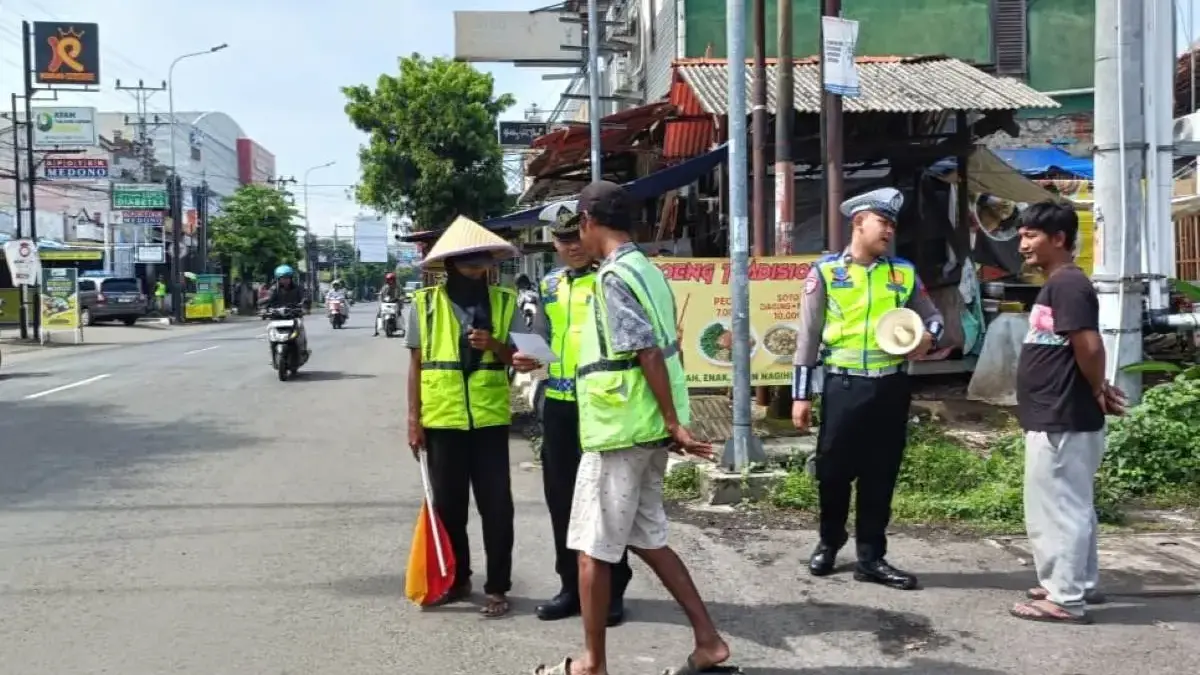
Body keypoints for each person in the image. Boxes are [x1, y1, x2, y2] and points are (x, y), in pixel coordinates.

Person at [526, 181, 729, 675]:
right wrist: (668, 424)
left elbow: (647, 351)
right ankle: (709, 642)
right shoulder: (647, 270)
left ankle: (592, 663)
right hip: (643, 429)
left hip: (620, 430)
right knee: (649, 539)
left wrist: (673, 423)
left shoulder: (614, 277)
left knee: (590, 550)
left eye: (580, 226)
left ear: (592, 223)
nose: (578, 236)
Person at [790, 187, 945, 591]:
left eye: (893, 224)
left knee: (881, 473)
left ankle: (871, 557)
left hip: (891, 386)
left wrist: (928, 337)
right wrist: (801, 394)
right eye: (883, 223)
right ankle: (829, 540)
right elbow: (806, 336)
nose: (889, 231)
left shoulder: (903, 273)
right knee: (833, 471)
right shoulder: (825, 273)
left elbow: (933, 318)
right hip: (842, 386)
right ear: (858, 223)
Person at [405, 216, 529, 619]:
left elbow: (524, 362)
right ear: (452, 264)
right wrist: (413, 420)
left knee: (497, 508)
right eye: (471, 262)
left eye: (484, 262)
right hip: (442, 421)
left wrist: (494, 343)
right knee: (449, 509)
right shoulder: (423, 305)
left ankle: (498, 587)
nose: (479, 269)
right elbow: (416, 365)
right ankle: (457, 580)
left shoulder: (506, 302)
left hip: (490, 421)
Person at [1008, 201, 1125, 624]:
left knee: (1057, 508)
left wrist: (1096, 388)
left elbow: (1089, 345)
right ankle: (1079, 583)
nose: (1023, 244)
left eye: (1031, 235)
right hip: (1058, 414)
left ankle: (1064, 597)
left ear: (1059, 239)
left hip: (1061, 416)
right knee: (1073, 504)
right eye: (1022, 235)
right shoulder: (1058, 284)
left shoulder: (1069, 284)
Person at [521, 207, 633, 627]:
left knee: (607, 502)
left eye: (575, 237)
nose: (570, 246)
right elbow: (543, 340)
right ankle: (571, 587)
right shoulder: (549, 286)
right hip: (561, 403)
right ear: (553, 242)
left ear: (587, 234)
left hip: (603, 405)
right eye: (561, 240)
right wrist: (527, 356)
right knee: (561, 500)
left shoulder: (611, 280)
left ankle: (613, 590)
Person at [266, 264, 309, 356]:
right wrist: (263, 309)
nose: (285, 280)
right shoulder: (273, 289)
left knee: (300, 327)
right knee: (269, 329)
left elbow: (304, 298)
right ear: (278, 279)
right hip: (277, 316)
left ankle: (303, 349)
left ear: (291, 278)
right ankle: (272, 351)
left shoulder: (298, 288)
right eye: (282, 278)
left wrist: (304, 307)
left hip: (294, 315)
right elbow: (267, 300)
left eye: (287, 278)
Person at [374, 273, 402, 337]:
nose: (390, 281)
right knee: (378, 315)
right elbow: (381, 294)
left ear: (394, 280)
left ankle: (402, 328)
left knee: (399, 313)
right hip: (386, 303)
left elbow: (401, 293)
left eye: (392, 279)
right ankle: (376, 331)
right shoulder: (385, 287)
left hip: (395, 302)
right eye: (389, 280)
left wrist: (400, 298)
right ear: (387, 280)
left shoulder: (398, 287)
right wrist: (381, 299)